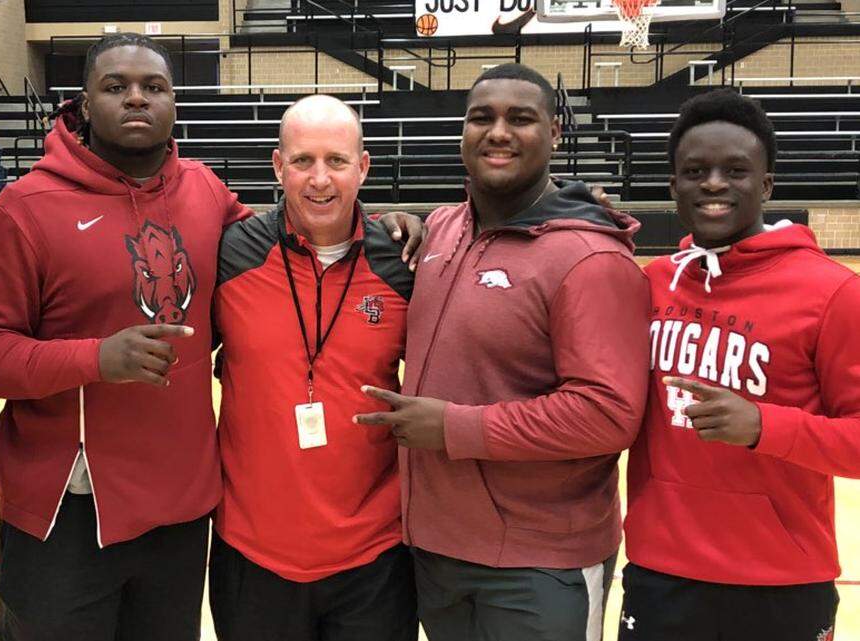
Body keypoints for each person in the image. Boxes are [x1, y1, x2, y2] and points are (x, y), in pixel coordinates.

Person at [0, 34, 422, 640]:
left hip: (181, 510)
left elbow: (302, 236)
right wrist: (95, 357)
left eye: (154, 87)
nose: (136, 99)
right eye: (116, 86)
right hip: (67, 508)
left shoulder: (203, 191)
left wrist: (390, 228)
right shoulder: (26, 207)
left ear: (175, 102)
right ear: (83, 104)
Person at [355, 63, 650, 641]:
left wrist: (456, 428)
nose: (498, 132)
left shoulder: (591, 260)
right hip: (436, 550)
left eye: (521, 119)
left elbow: (609, 414)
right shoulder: (439, 230)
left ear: (556, 134)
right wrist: (396, 221)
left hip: (540, 564)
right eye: (481, 118)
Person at [619, 89, 858, 641]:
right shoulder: (652, 284)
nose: (713, 183)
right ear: (674, 185)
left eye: (736, 170)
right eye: (695, 170)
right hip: (662, 571)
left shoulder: (834, 294)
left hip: (782, 580)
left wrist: (764, 426)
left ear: (767, 185)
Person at [210, 95, 417, 641]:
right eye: (303, 161)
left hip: (374, 555)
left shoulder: (404, 263)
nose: (319, 179)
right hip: (252, 553)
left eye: (337, 161)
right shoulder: (232, 252)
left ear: (364, 166)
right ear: (278, 166)